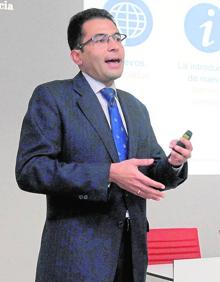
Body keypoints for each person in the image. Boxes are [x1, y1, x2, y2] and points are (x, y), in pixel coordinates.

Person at [15, 8, 192, 282]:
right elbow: (30, 169)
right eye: (100, 39)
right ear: (77, 56)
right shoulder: (53, 97)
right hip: (77, 259)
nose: (113, 46)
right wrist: (107, 174)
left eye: (117, 38)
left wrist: (174, 163)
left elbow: (152, 171)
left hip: (131, 256)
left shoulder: (135, 107)